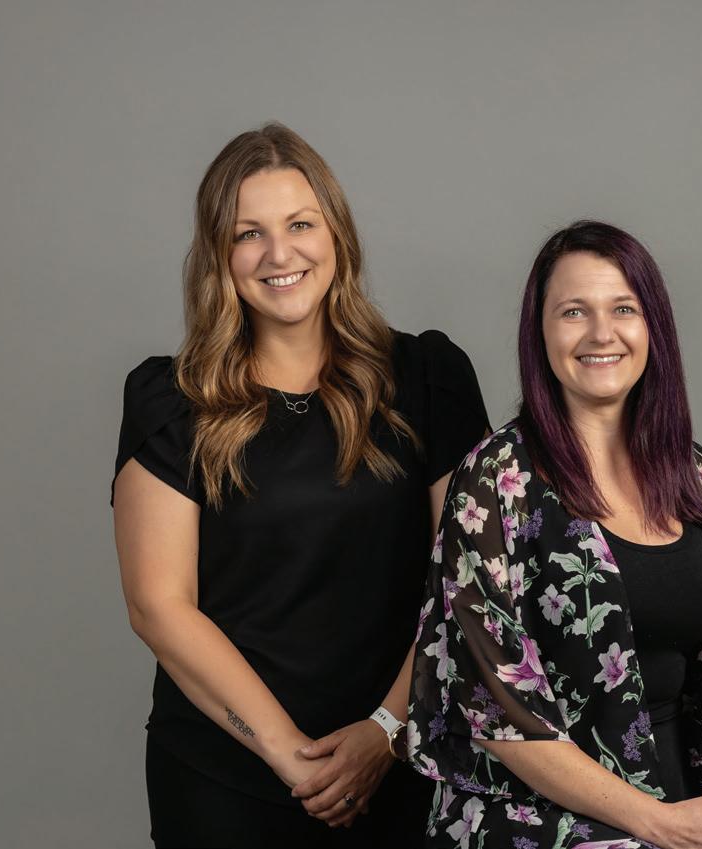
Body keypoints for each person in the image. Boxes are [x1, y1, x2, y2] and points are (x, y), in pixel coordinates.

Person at [111, 123, 489, 848]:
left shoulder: (427, 379)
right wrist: (292, 758)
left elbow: (468, 579)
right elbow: (158, 605)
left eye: (300, 224)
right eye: (248, 233)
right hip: (226, 779)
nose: (279, 254)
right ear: (218, 255)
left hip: (408, 763)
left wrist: (387, 730)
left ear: (336, 234)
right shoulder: (172, 402)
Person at [407, 221, 702, 848]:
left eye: (623, 309)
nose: (600, 333)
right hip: (542, 815)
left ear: (652, 327)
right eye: (573, 312)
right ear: (539, 332)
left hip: (691, 796)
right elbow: (493, 708)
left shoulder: (694, 475)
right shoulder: (495, 480)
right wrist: (659, 824)